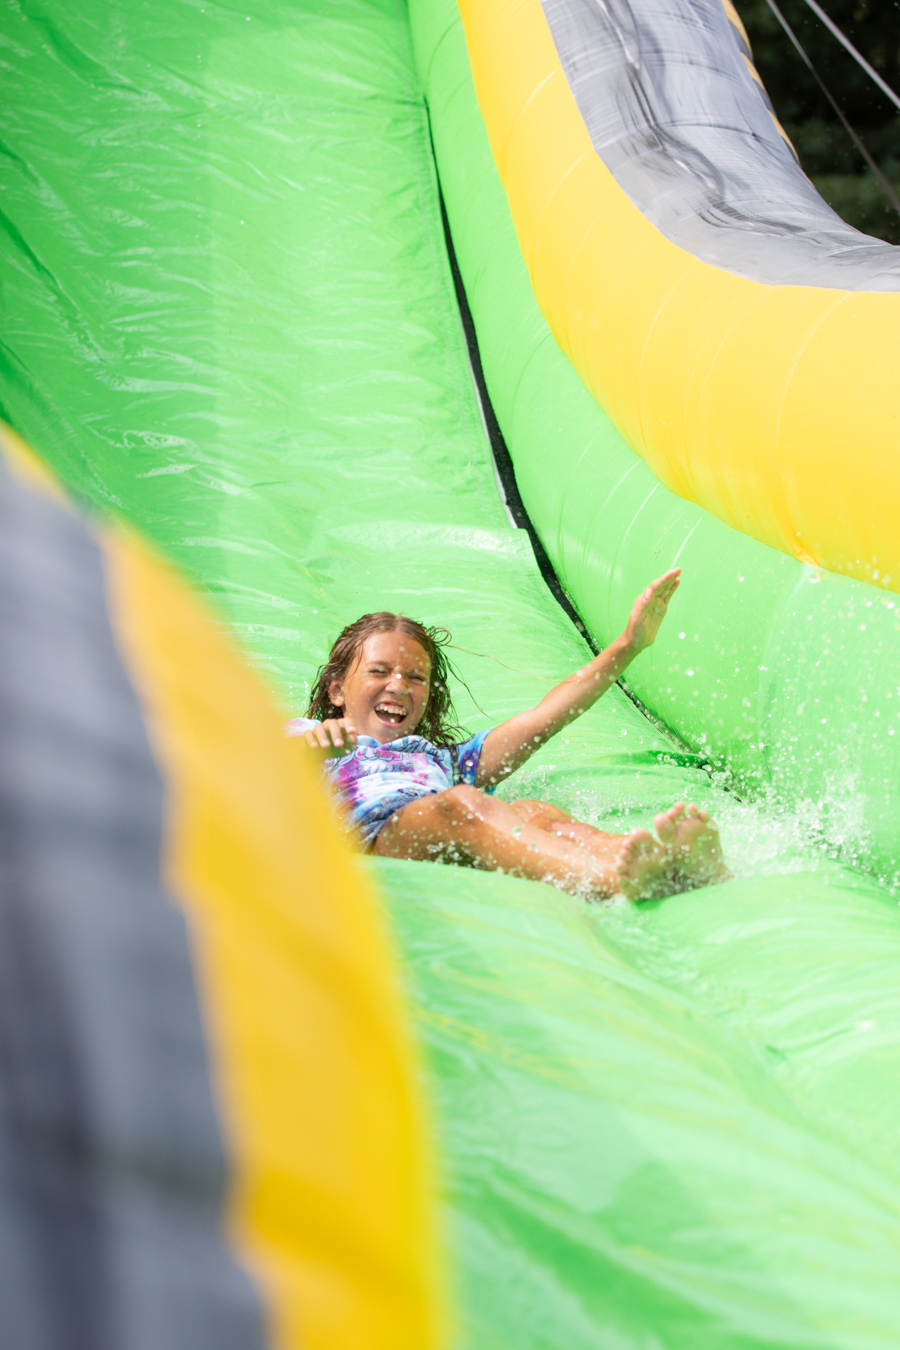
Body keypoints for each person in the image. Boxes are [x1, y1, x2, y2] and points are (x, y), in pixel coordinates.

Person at [285, 569, 728, 900]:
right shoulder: (310, 735)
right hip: (375, 848)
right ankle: (614, 880)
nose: (399, 685)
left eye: (416, 677)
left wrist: (628, 645)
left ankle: (658, 863)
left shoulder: (442, 760)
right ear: (337, 689)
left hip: (438, 833)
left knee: (535, 812)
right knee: (463, 803)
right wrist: (309, 751)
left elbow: (542, 719)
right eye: (379, 671)